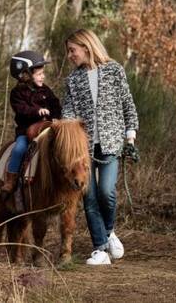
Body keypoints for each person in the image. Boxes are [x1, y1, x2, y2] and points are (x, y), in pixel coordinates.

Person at [62, 29, 138, 265]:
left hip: (111, 141)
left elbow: (128, 104)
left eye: (72, 50)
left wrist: (130, 135)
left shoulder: (114, 70)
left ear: (86, 46)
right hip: (83, 148)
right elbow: (67, 112)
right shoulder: (72, 80)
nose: (69, 55)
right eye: (68, 51)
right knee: (89, 196)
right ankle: (100, 249)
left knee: (106, 191)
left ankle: (108, 231)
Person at [1, 50, 62, 195]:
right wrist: (37, 111)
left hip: (46, 128)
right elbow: (21, 109)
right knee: (19, 149)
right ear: (26, 75)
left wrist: (56, 116)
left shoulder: (45, 90)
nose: (43, 76)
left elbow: (55, 104)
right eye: (39, 74)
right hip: (26, 130)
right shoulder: (17, 93)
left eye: (43, 73)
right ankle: (11, 178)